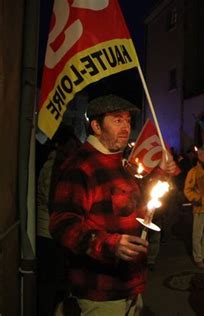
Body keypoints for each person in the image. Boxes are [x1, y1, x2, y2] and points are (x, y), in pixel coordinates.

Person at [50, 95, 177, 315]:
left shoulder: (117, 163)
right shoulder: (81, 166)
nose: (126, 127)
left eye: (128, 121)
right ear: (96, 126)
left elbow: (135, 201)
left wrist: (160, 174)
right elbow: (63, 224)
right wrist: (109, 244)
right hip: (100, 294)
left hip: (129, 286)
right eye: (117, 120)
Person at [37, 125, 81, 316]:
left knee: (52, 280)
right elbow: (55, 201)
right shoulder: (57, 166)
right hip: (49, 231)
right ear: (62, 146)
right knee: (52, 282)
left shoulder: (54, 162)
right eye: (72, 144)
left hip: (46, 228)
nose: (75, 148)